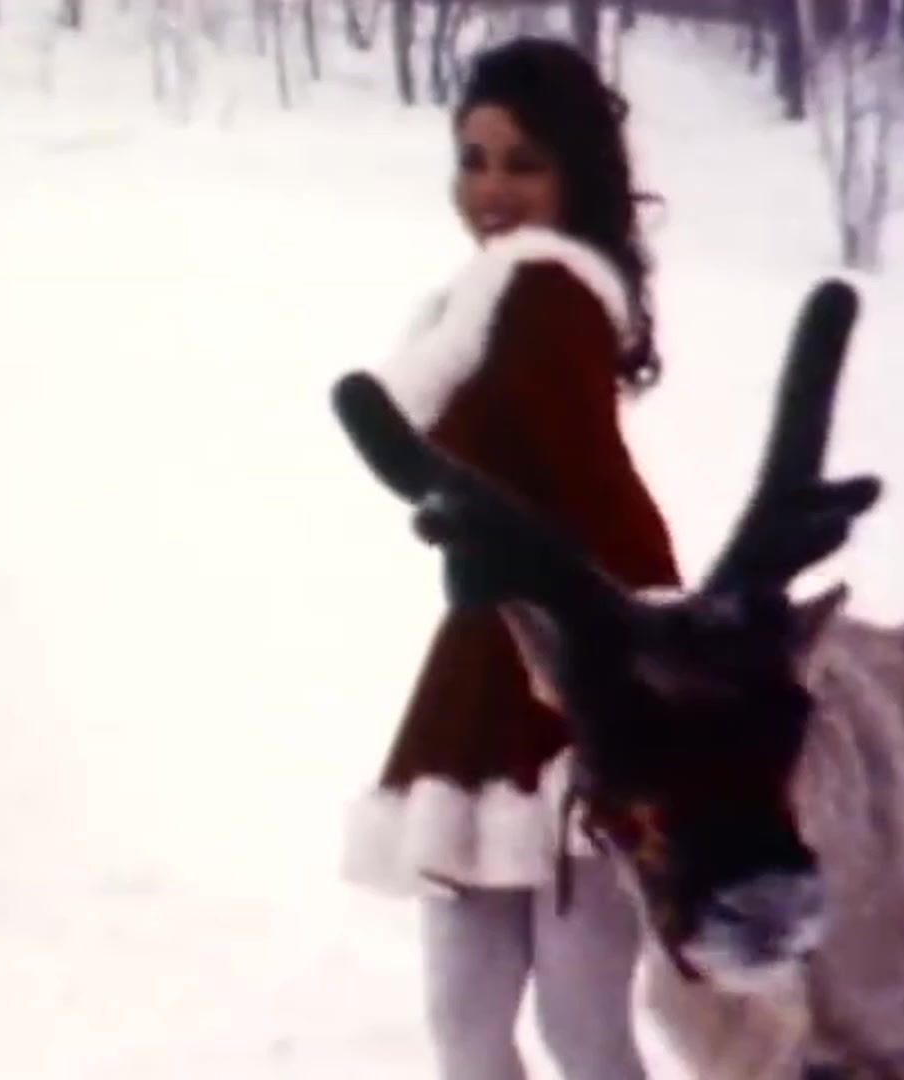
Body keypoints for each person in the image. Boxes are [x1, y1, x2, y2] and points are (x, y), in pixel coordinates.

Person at [339, 35, 680, 1080]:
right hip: (491, 665)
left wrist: (610, 661)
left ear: (575, 174)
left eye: (522, 164)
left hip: (579, 668)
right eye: (473, 159)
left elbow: (595, 490)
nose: (490, 190)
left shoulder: (543, 286)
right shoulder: (486, 296)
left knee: (564, 1027)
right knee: (474, 1026)